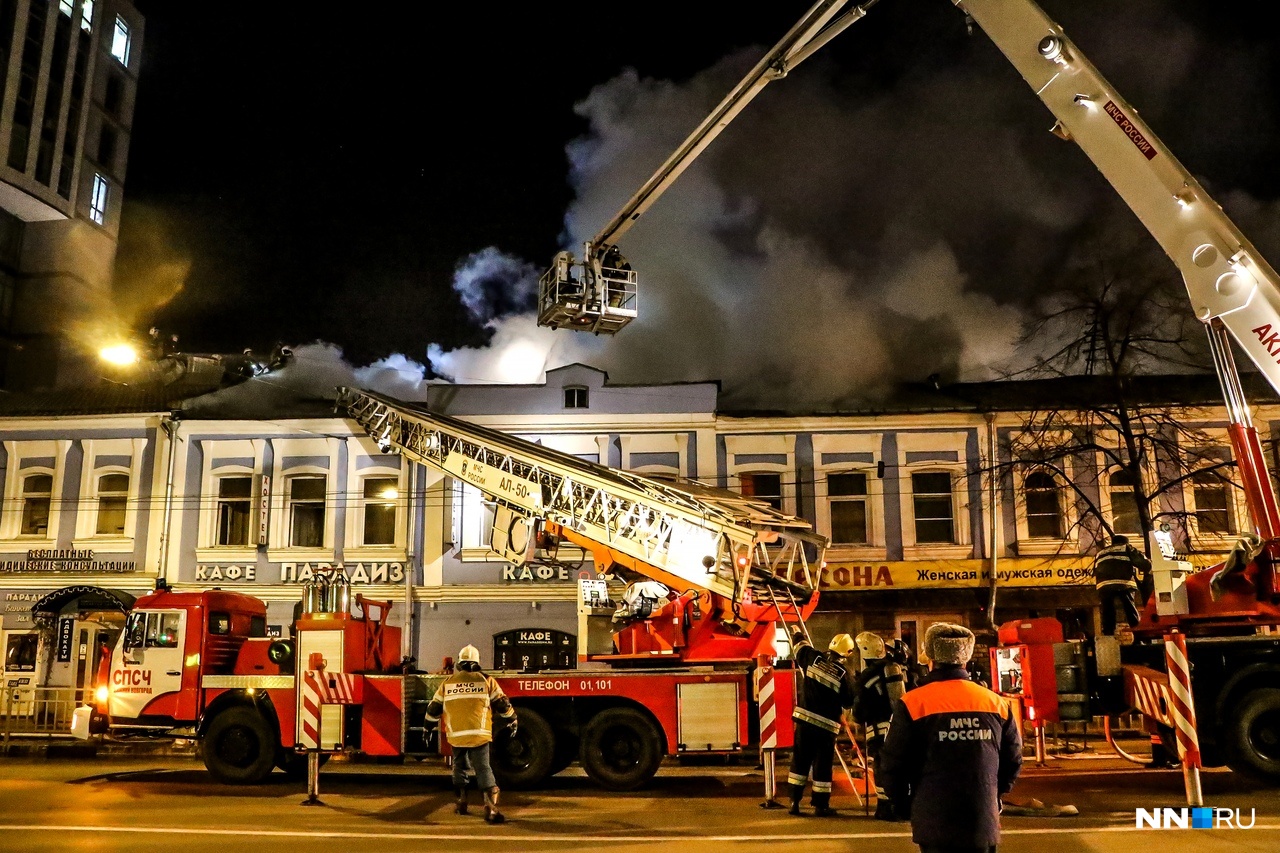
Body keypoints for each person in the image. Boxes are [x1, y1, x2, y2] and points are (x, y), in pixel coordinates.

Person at [879, 623, 1023, 853]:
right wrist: (995, 794)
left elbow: (892, 763)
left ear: (931, 659)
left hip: (934, 820)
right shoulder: (996, 703)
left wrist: (903, 804)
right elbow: (1013, 760)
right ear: (965, 660)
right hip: (982, 818)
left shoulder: (913, 703)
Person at [425, 644, 518, 823]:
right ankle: (490, 808)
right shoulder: (485, 680)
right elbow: (501, 704)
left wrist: (427, 727)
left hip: (457, 734)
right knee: (483, 768)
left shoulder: (448, 683)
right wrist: (512, 719)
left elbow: (433, 707)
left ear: (459, 663)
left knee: (459, 767)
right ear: (477, 663)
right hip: (479, 734)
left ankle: (461, 803)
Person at [786, 632, 857, 817]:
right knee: (822, 766)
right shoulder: (844, 674)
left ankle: (794, 802)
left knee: (800, 762)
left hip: (805, 722)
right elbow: (849, 701)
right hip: (826, 728)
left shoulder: (812, 657)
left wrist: (798, 633)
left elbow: (799, 645)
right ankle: (820, 806)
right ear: (847, 653)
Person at [852, 631, 907, 821]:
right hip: (897, 727)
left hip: (876, 730)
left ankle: (884, 807)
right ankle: (899, 804)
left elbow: (858, 712)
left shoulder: (865, 677)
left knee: (881, 767)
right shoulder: (893, 668)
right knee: (898, 766)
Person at [1093, 534, 1152, 635]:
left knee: (1108, 611)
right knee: (1129, 609)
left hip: (1104, 586)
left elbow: (1095, 570)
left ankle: (1108, 635)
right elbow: (1143, 562)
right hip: (1123, 583)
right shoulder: (1126, 548)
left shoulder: (1100, 553)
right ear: (1125, 542)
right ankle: (1138, 634)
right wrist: (1150, 569)